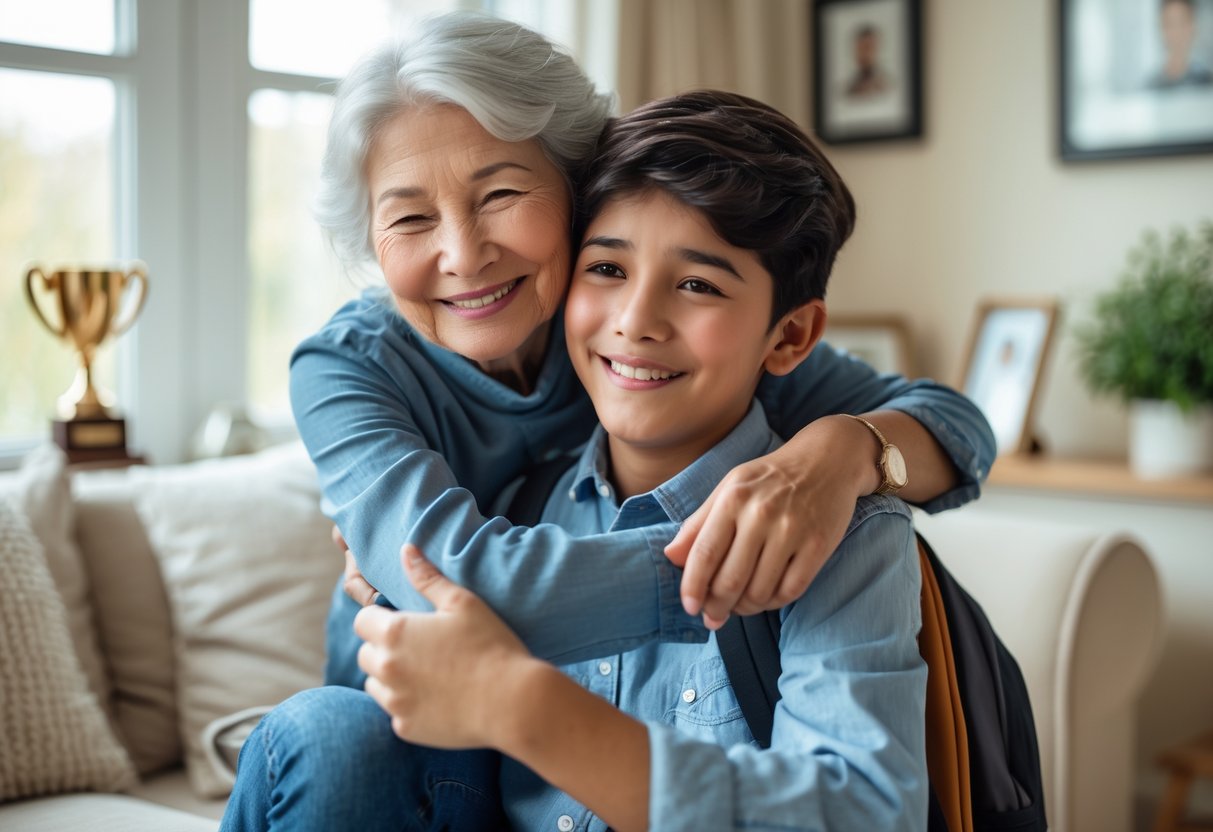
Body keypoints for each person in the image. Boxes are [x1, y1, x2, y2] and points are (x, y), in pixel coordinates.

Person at [226, 89, 928, 831]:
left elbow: (865, 814)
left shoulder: (843, 539)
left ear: (788, 337)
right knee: (319, 731)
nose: (634, 322)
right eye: (606, 269)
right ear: (561, 279)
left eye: (696, 285)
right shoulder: (509, 501)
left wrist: (526, 705)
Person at [291, 12, 993, 695]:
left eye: (500, 194)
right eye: (410, 218)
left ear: (574, 189)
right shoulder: (345, 370)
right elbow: (459, 593)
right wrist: (750, 559)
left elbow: (955, 425)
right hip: (394, 723)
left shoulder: (625, 336)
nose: (465, 255)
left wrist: (838, 458)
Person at [1151, 0, 1213, 89]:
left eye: (1182, 22)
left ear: (1193, 26)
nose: (1176, 32)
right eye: (1170, 23)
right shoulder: (1151, 87)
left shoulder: (1206, 81)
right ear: (1161, 27)